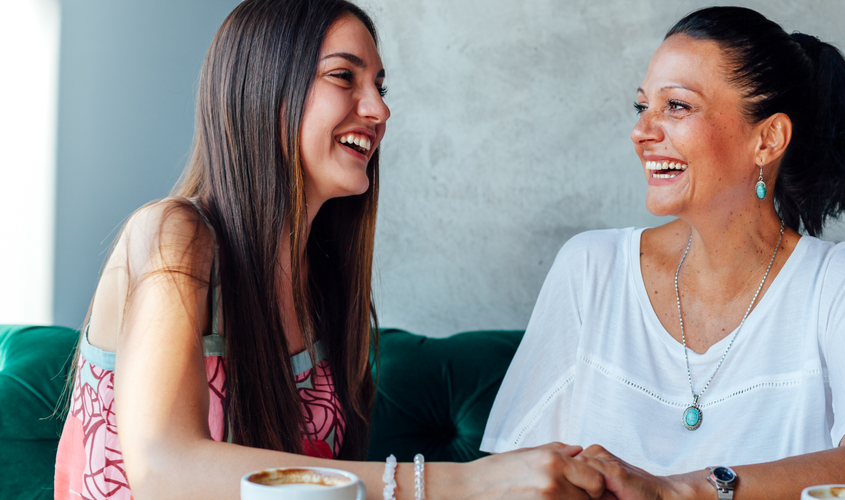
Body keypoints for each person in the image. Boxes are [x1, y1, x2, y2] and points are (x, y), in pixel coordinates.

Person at [53, 1, 607, 499]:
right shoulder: (174, 233)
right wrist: (467, 481)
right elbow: (162, 471)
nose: (379, 110)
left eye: (381, 88)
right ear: (263, 90)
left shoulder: (320, 283)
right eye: (345, 76)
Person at [481, 6, 845, 499]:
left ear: (768, 139)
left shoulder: (843, 280)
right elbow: (504, 477)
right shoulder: (590, 268)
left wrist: (682, 491)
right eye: (642, 107)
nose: (642, 131)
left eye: (676, 106)